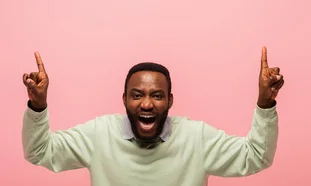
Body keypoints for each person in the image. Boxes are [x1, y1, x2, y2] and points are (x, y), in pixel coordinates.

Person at [21, 46, 284, 186]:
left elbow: (256, 157)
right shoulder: (98, 134)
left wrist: (265, 103)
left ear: (170, 100)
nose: (146, 104)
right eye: (137, 95)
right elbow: (40, 152)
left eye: (157, 96)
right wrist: (38, 106)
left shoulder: (197, 137)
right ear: (124, 99)